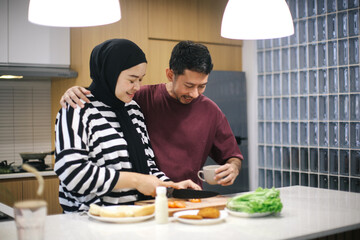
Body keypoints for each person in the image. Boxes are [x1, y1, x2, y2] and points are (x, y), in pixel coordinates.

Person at [60, 40, 243, 187]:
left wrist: (232, 167)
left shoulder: (133, 108)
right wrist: (76, 91)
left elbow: (148, 166)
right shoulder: (134, 99)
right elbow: (104, 92)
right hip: (129, 206)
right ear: (170, 75)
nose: (195, 94)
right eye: (188, 86)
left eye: (202, 86)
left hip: (173, 196)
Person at [55, 39, 200, 213]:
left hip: (135, 216)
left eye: (140, 79)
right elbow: (72, 173)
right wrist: (136, 181)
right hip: (89, 222)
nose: (137, 87)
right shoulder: (77, 108)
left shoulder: (133, 109)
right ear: (110, 72)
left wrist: (170, 187)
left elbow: (148, 167)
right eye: (131, 80)